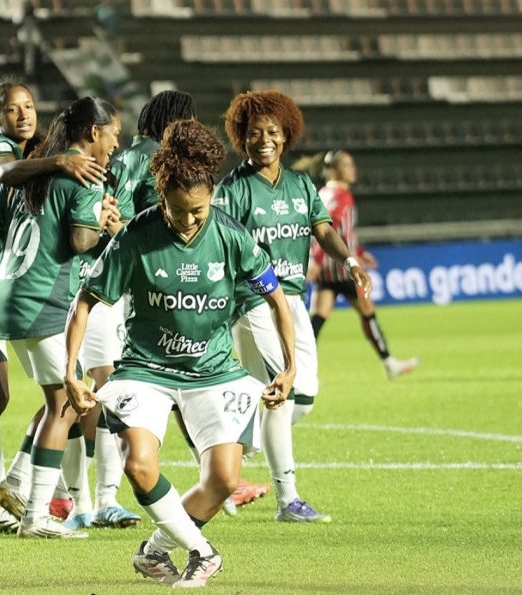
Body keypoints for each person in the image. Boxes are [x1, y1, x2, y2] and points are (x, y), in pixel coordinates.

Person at [63, 119, 297, 587]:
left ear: (211, 193)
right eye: (178, 210)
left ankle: (154, 552)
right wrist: (70, 372)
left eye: (198, 210)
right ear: (162, 192)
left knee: (224, 480)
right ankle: (203, 552)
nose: (189, 220)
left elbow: (277, 299)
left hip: (214, 369)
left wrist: (289, 368)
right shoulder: (136, 237)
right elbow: (85, 303)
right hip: (146, 368)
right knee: (139, 464)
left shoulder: (231, 236)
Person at [0, 96, 123, 539]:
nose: (117, 142)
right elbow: (81, 240)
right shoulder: (84, 177)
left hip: (4, 299)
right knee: (70, 401)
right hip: (42, 301)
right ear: (94, 133)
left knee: (55, 400)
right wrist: (105, 224)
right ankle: (36, 514)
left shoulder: (31, 176)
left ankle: (16, 485)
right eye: (113, 132)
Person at [215, 90, 372, 524]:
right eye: (253, 133)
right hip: (251, 303)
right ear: (241, 140)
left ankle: (223, 454)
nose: (263, 139)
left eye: (272, 132)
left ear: (286, 137)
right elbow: (224, 246)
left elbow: (323, 230)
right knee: (280, 397)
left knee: (304, 397)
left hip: (292, 300)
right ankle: (289, 499)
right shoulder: (235, 189)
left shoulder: (302, 185)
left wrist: (351, 261)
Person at [110, 89, 268, 513]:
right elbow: (123, 218)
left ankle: (215, 477)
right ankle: (88, 496)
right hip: (150, 282)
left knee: (181, 382)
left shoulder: (136, 157)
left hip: (152, 280)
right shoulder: (149, 159)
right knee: (108, 393)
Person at [308, 150, 420, 379]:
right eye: (348, 165)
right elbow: (328, 230)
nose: (353, 169)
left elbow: (341, 233)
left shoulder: (323, 193)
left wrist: (359, 251)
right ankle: (389, 363)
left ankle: (300, 367)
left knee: (317, 320)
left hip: (327, 272)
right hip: (344, 270)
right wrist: (317, 260)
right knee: (368, 313)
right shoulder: (340, 196)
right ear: (336, 169)